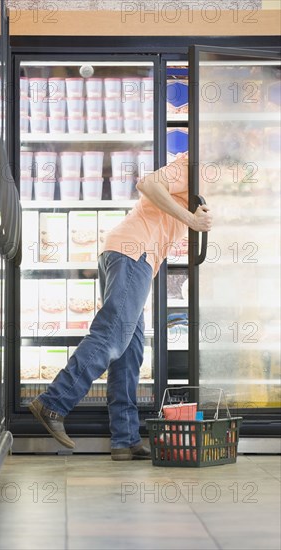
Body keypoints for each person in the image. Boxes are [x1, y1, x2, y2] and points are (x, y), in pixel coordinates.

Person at [29, 154, 212, 460]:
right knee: (112, 335)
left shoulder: (204, 177)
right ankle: (54, 402)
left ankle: (125, 440)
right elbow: (148, 183)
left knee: (130, 351)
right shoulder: (192, 163)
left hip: (133, 255)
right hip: (133, 251)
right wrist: (192, 219)